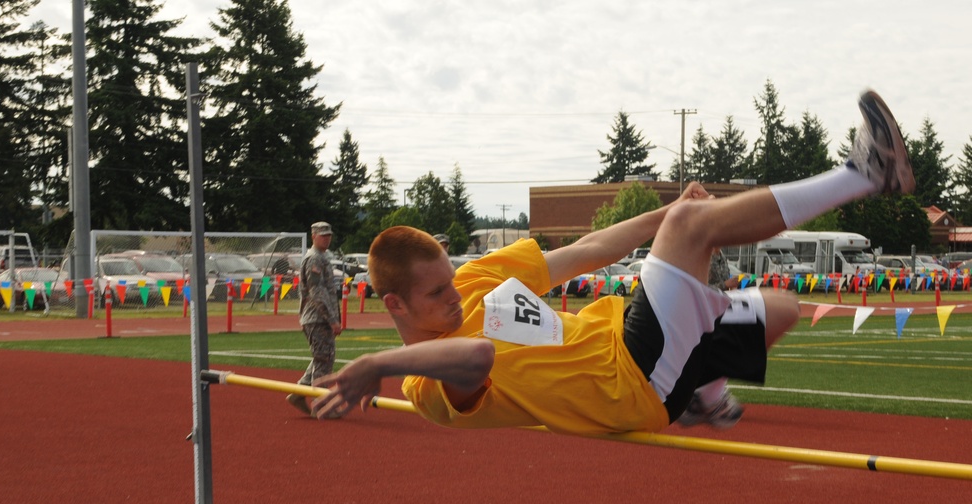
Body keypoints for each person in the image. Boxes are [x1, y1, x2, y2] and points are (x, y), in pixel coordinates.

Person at [311, 90, 914, 434]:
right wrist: (378, 362)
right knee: (689, 230)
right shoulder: (425, 386)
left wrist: (664, 214)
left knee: (778, 308)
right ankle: (865, 173)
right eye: (437, 295)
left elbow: (588, 251)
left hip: (631, 340)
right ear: (394, 305)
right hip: (626, 380)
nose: (456, 296)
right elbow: (479, 354)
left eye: (450, 279)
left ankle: (703, 395)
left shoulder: (475, 279)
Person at [677, 248, 745, 428]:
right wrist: (725, 284)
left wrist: (730, 288)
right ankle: (696, 397)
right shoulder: (703, 251)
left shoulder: (720, 253)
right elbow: (698, 286)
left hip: (719, 305)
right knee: (705, 351)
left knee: (722, 349)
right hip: (704, 307)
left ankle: (709, 394)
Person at [287, 221, 343, 415]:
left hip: (319, 317)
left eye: (329, 235)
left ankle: (298, 394)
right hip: (317, 317)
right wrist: (332, 319)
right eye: (323, 235)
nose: (327, 238)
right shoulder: (314, 259)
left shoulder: (321, 257)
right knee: (323, 360)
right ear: (313, 236)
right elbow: (317, 292)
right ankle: (322, 405)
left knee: (322, 357)